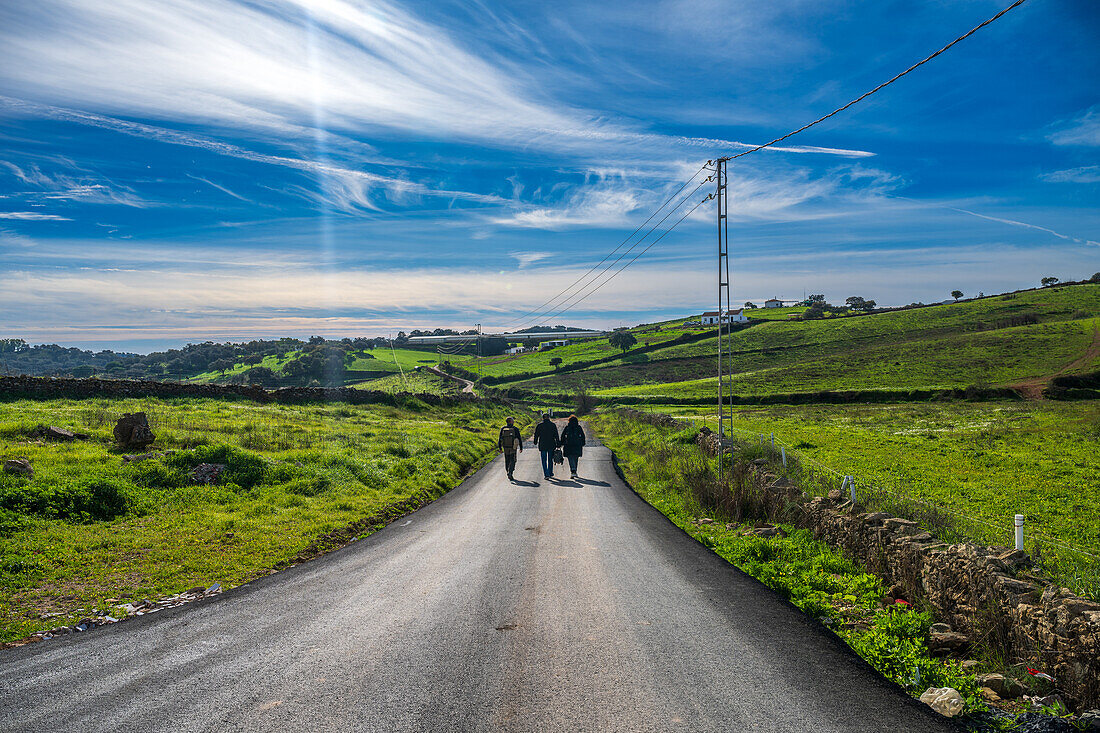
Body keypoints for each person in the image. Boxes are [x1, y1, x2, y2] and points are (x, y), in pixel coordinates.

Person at [532, 413, 560, 479]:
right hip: (551, 444)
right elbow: (556, 435)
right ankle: (550, 472)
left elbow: (536, 434)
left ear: (543, 418)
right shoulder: (553, 425)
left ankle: (546, 474)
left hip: (543, 445)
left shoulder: (539, 425)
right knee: (550, 459)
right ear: (549, 417)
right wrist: (558, 443)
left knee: (544, 460)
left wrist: (535, 442)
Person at [560, 415, 586, 479]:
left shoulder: (567, 428)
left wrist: (561, 443)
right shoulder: (579, 427)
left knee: (570, 458)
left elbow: (562, 436)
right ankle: (574, 471)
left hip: (568, 445)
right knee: (576, 458)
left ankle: (573, 471)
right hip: (577, 445)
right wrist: (583, 443)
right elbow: (583, 436)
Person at [498, 417, 523, 482]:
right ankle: (510, 472)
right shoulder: (515, 429)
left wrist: (500, 448)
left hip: (505, 447)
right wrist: (521, 447)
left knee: (507, 460)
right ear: (511, 422)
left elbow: (500, 439)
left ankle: (507, 472)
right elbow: (519, 438)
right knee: (513, 460)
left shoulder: (503, 429)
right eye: (513, 420)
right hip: (513, 447)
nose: (513, 421)